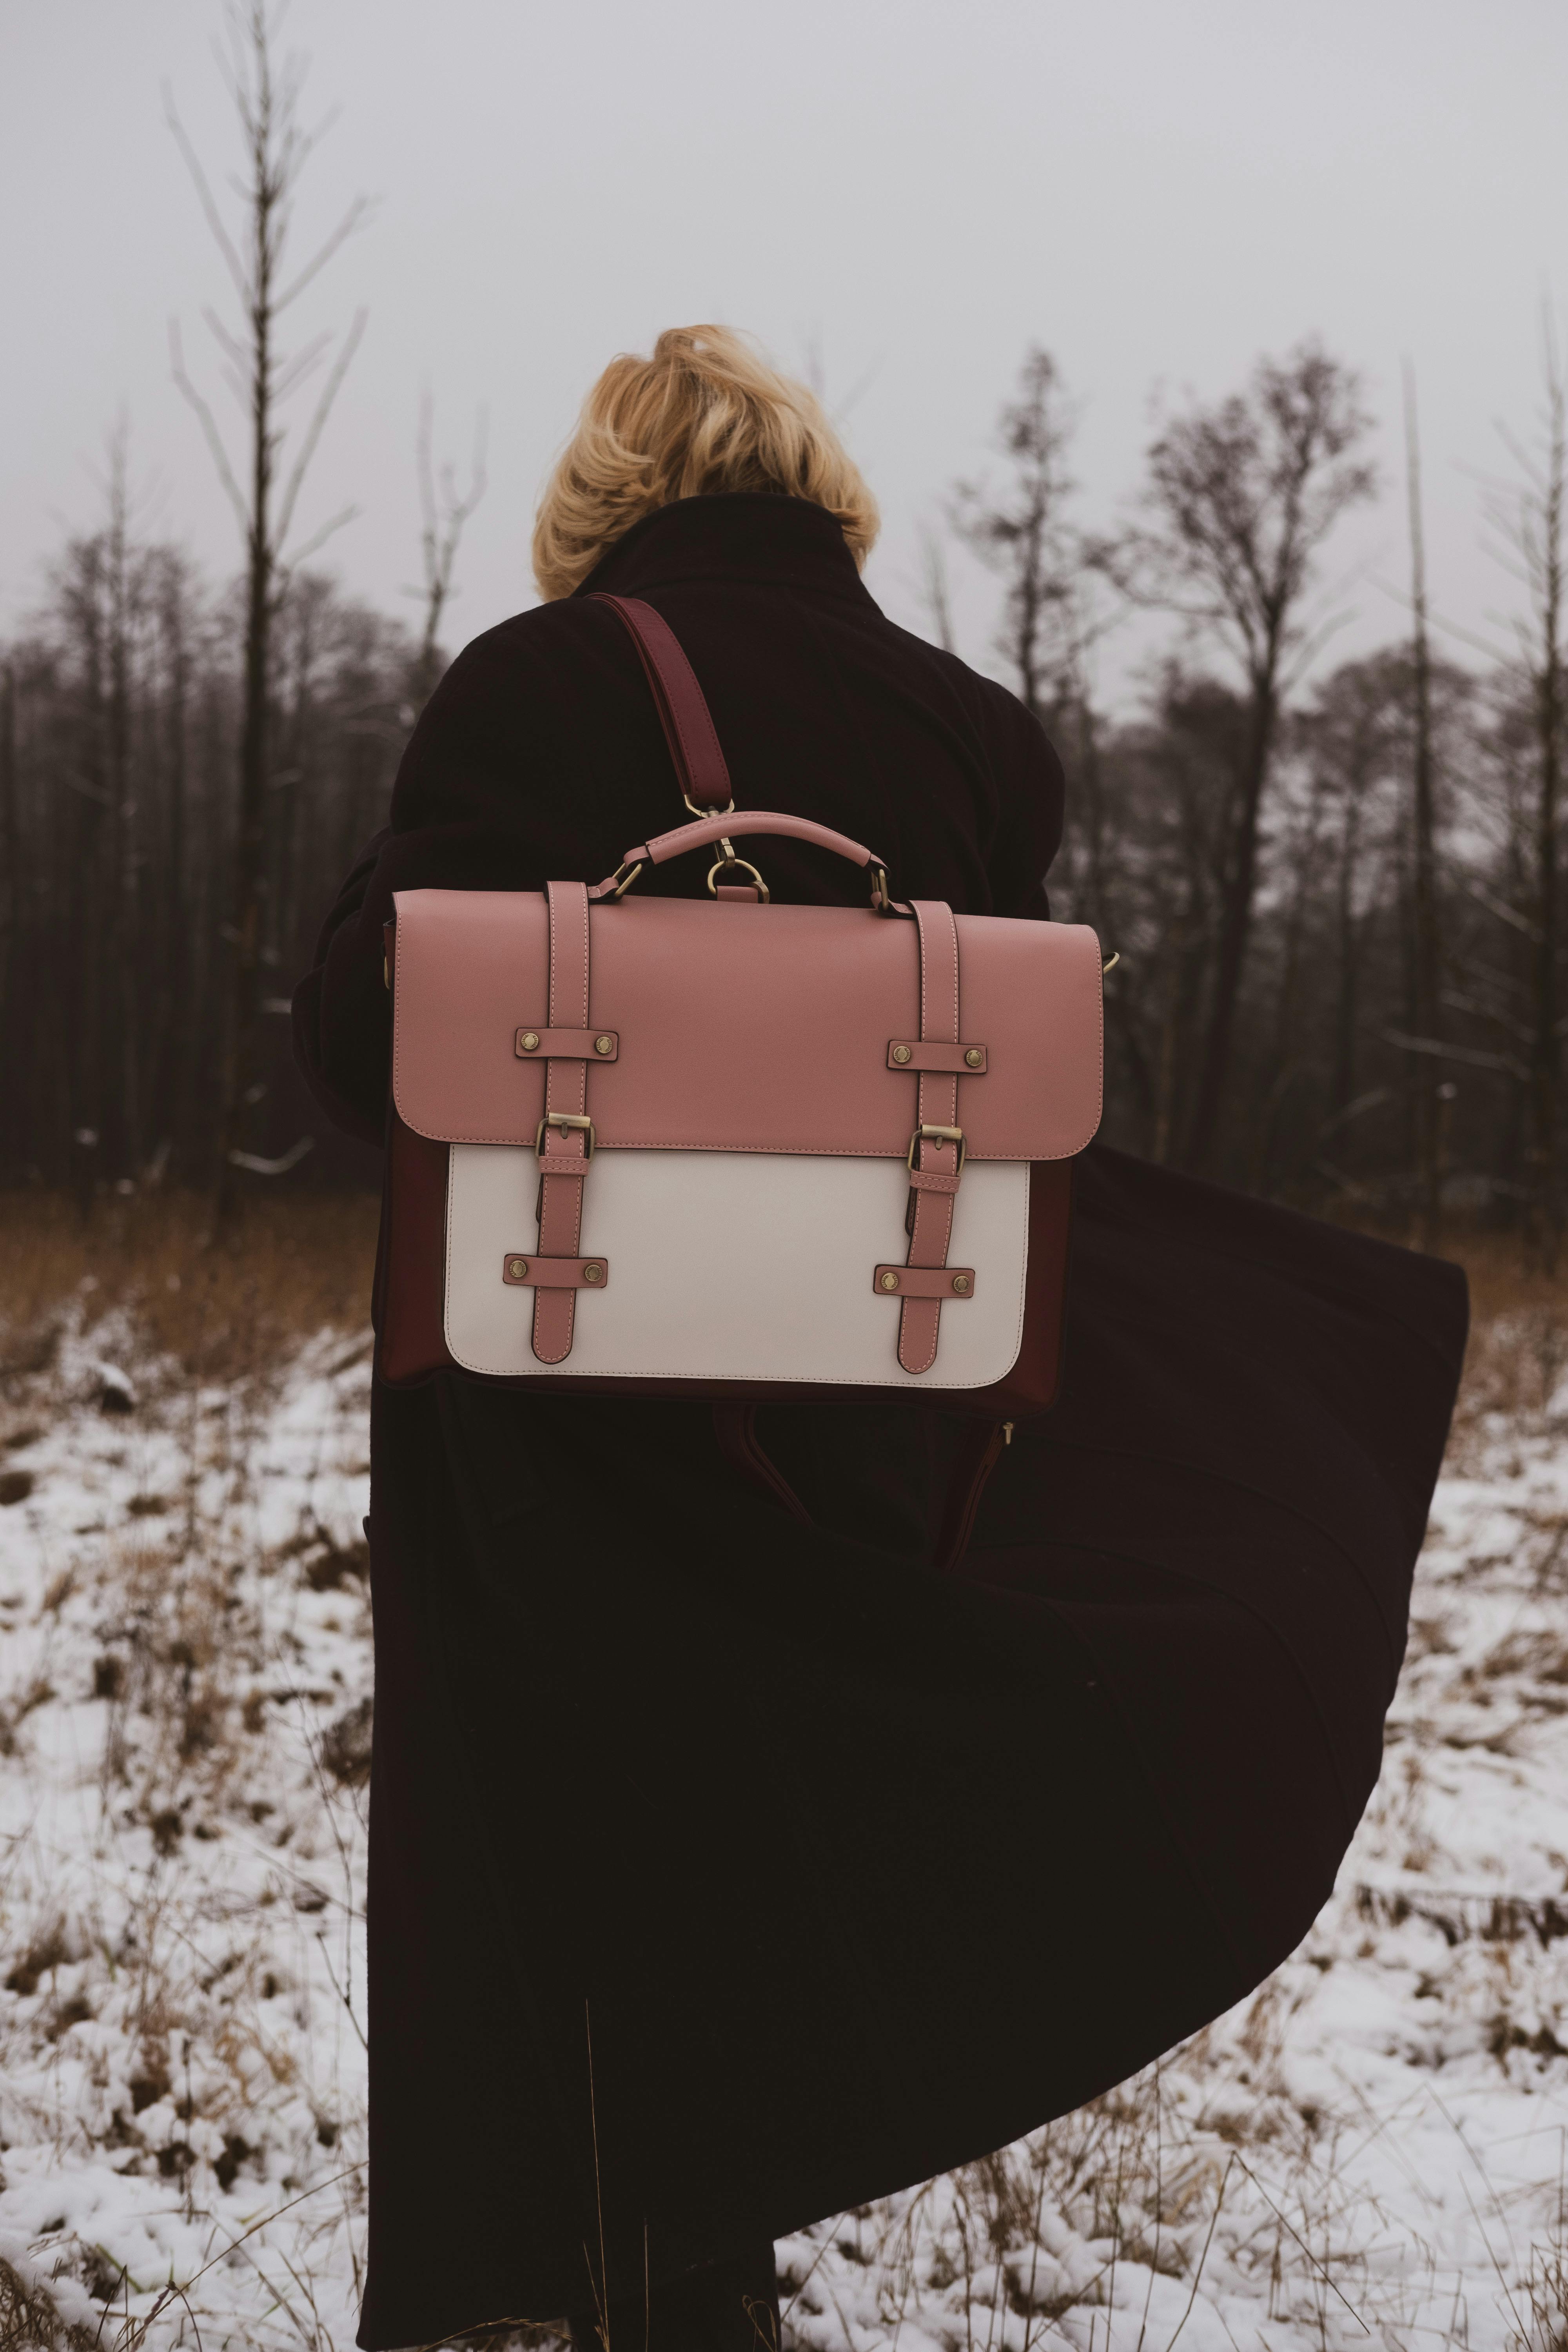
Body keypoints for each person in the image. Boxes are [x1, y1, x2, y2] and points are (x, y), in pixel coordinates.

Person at [292, 325, 1468, 2352]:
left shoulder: (541, 682)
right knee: (761, 1855)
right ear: (814, 486)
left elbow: (361, 1045)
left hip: (564, 1387)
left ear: (608, 496)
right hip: (866, 1379)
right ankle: (706, 2282)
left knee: (572, 1875)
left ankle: (582, 2288)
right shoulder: (974, 732)